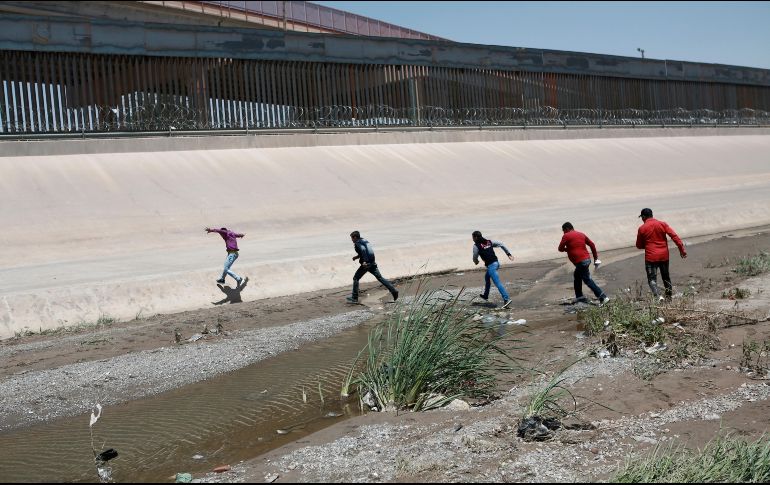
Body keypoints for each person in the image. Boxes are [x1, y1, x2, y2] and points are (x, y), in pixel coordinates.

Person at [635, 208, 687, 301]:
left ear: (643, 217)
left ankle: (659, 297)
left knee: (652, 279)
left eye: (642, 217)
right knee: (666, 277)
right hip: (664, 256)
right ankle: (669, 298)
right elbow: (674, 236)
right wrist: (682, 250)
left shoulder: (642, 228)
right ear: (652, 215)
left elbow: (639, 245)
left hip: (651, 257)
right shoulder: (662, 224)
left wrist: (648, 245)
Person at [558, 222, 610, 305]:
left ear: (567, 229)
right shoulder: (581, 234)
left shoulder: (566, 236)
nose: (563, 232)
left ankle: (603, 297)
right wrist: (596, 258)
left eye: (563, 230)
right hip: (587, 260)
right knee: (577, 276)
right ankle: (579, 297)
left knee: (587, 280)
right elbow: (592, 245)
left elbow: (560, 248)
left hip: (580, 262)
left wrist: (568, 249)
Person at [347, 231, 398, 304]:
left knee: (356, 278)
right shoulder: (364, 240)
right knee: (380, 278)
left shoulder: (357, 243)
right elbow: (367, 251)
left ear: (355, 237)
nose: (351, 240)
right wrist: (357, 257)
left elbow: (363, 250)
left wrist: (365, 261)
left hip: (366, 265)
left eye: (352, 238)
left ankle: (354, 298)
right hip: (372, 263)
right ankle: (394, 291)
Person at [472, 230, 513, 309]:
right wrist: (508, 254)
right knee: (487, 277)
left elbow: (475, 256)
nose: (472, 239)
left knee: (497, 283)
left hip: (491, 266)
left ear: (476, 237)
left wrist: (476, 262)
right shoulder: (489, 242)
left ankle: (506, 299)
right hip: (496, 263)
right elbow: (501, 244)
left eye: (473, 237)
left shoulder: (476, 246)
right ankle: (485, 295)